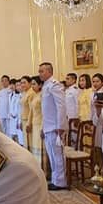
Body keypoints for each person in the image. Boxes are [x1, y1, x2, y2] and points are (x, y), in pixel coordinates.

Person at [38, 63, 68, 191]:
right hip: (48, 126)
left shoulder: (55, 85)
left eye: (42, 71)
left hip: (55, 127)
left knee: (57, 155)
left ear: (49, 71)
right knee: (52, 155)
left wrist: (60, 126)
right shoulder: (46, 85)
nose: (40, 74)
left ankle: (61, 181)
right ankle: (56, 180)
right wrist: (43, 127)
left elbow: (61, 106)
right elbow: (45, 110)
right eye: (39, 71)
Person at [27, 77, 44, 161]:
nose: (32, 86)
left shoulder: (42, 95)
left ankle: (42, 166)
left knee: (40, 145)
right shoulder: (35, 95)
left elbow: (45, 113)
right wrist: (29, 123)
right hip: (35, 124)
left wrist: (43, 128)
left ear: (40, 85)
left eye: (34, 84)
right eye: (32, 84)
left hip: (40, 124)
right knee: (35, 145)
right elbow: (31, 111)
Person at [19, 76, 36, 150]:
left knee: (30, 140)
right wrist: (20, 121)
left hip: (29, 120)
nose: (22, 85)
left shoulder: (31, 93)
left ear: (29, 83)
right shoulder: (24, 93)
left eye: (24, 83)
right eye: (21, 83)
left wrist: (29, 123)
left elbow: (31, 110)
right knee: (26, 140)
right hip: (24, 119)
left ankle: (31, 155)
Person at [8, 78, 22, 145]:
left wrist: (15, 115)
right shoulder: (11, 95)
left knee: (20, 137)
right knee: (12, 136)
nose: (12, 86)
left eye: (13, 85)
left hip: (18, 118)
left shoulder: (20, 95)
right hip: (12, 118)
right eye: (16, 85)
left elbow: (19, 109)